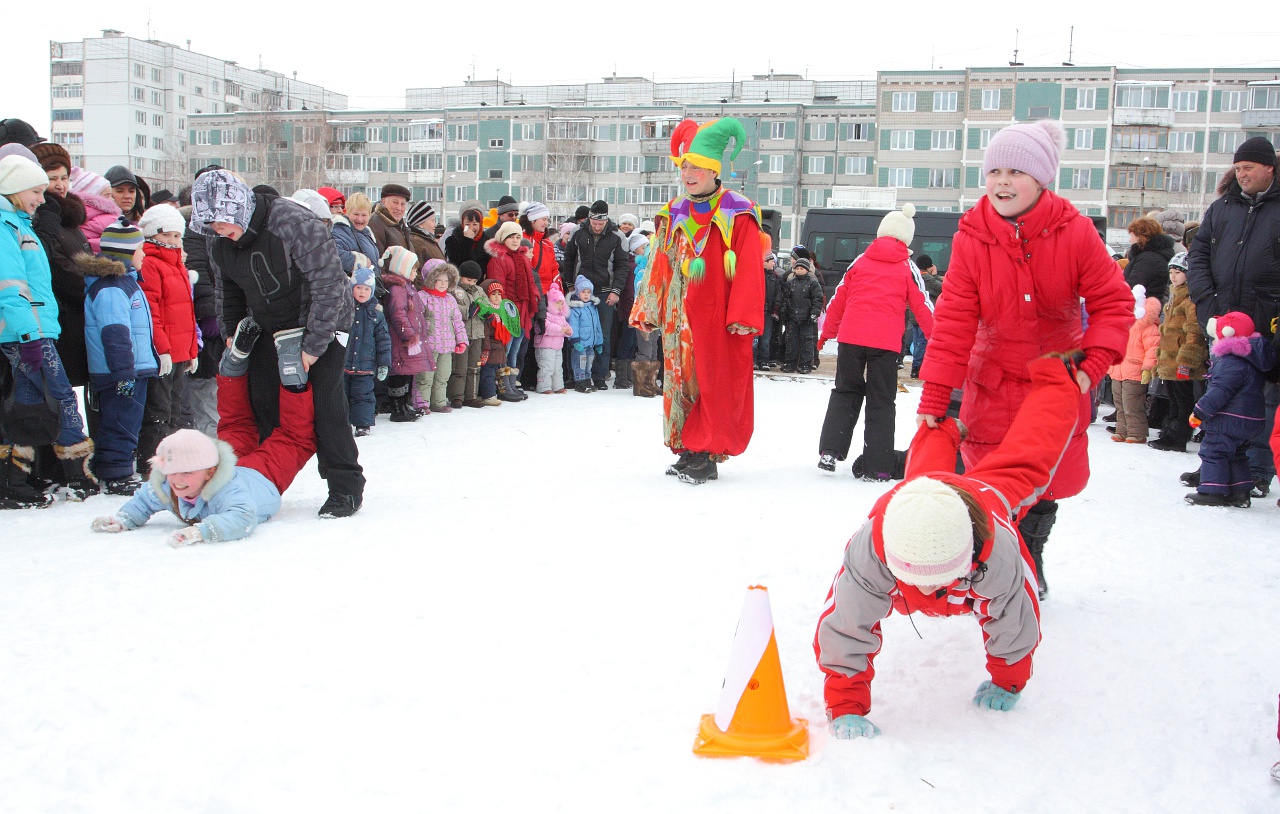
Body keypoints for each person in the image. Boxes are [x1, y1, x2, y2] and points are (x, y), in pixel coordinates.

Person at [916, 120, 1132, 600]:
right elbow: (954, 319)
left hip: (1055, 386)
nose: (1002, 182)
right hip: (991, 383)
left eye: (1016, 171)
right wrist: (935, 392)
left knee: (1045, 486)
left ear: (1041, 178)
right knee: (990, 486)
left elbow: (1114, 302)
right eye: (994, 171)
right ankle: (995, 566)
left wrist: (1093, 363)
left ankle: (1030, 559)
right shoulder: (971, 236)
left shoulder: (1075, 232)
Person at [815, 352, 1078, 739]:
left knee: (1029, 457)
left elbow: (1015, 620)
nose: (926, 590)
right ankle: (941, 427)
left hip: (983, 499)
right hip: (919, 496)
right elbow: (846, 627)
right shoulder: (870, 551)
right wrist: (845, 704)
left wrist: (1008, 680)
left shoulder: (997, 549)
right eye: (914, 580)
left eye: (941, 579)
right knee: (925, 466)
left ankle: (1059, 381)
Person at [189, 169, 363, 519]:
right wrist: (231, 330)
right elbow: (226, 287)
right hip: (268, 326)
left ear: (238, 209)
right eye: (209, 224)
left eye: (221, 221)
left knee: (324, 405)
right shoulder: (217, 238)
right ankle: (259, 482)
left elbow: (328, 285)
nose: (217, 230)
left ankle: (345, 486)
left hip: (323, 323)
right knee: (265, 403)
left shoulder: (295, 223)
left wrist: (314, 345)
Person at [630, 118, 765, 484]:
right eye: (684, 167)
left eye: (696, 167)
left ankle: (707, 452)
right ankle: (689, 446)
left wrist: (743, 314)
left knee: (713, 381)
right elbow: (658, 262)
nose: (688, 174)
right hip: (679, 316)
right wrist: (649, 307)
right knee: (679, 380)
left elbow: (750, 266)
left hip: (718, 315)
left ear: (714, 170)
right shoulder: (673, 210)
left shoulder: (738, 211)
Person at [90, 347, 317, 545]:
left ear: (210, 472)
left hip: (262, 477)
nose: (178, 479)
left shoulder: (228, 492)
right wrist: (124, 519)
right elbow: (143, 501)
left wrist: (203, 531)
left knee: (294, 440)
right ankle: (232, 367)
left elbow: (242, 518)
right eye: (172, 472)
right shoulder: (167, 484)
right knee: (235, 426)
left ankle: (292, 378)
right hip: (232, 467)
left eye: (187, 472)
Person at [0, 154, 99, 506]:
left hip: (32, 330)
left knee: (28, 402)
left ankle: (13, 480)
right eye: (36, 191)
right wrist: (29, 335)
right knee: (60, 398)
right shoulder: (6, 227)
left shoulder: (19, 223)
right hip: (26, 333)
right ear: (14, 188)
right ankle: (78, 474)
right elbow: (11, 288)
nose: (42, 199)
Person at [1186, 136, 1280, 499]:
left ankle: (1256, 470)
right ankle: (1216, 464)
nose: (1241, 174)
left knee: (1262, 398)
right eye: (1238, 168)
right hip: (1224, 319)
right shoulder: (1222, 207)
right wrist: (1205, 300)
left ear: (1269, 167)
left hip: (1265, 320)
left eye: (1248, 168)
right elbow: (1198, 255)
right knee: (1220, 389)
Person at [817, 204, 935, 479]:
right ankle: (878, 466)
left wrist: (826, 334)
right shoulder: (907, 267)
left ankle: (830, 451)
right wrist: (938, 340)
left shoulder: (860, 261)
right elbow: (922, 305)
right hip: (885, 344)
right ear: (906, 238)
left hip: (851, 339)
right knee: (881, 400)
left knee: (845, 391)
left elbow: (839, 299)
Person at [81, 220, 160, 495]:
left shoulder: (126, 282)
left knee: (128, 421)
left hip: (130, 370)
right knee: (119, 423)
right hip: (120, 372)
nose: (144, 254)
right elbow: (115, 333)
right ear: (126, 253)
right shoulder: (112, 288)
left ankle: (119, 467)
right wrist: (124, 373)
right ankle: (115, 473)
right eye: (140, 249)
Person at [1185, 312, 1275, 507]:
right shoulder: (1251, 358)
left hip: (1228, 419)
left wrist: (1199, 411)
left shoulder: (1230, 362)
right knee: (1237, 455)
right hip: (1249, 420)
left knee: (1214, 452)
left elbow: (1220, 392)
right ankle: (1240, 493)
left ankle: (1212, 491)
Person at [136, 204, 199, 475]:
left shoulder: (178, 265)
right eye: (166, 235)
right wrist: (161, 349)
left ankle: (173, 460)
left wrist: (192, 350)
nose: (172, 241)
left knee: (176, 409)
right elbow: (153, 311)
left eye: (177, 236)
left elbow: (187, 313)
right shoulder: (151, 264)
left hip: (180, 351)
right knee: (159, 410)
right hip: (164, 351)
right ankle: (153, 462)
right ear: (153, 234)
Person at [31, 142, 91, 391]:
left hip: (80, 315)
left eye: (64, 178)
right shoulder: (43, 219)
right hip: (61, 317)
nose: (60, 185)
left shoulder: (68, 217)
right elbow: (58, 268)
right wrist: (92, 285)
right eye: (52, 178)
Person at [560, 199, 629, 390]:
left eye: (601, 223)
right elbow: (569, 259)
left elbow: (622, 266)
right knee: (576, 332)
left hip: (605, 291)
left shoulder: (617, 236)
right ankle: (575, 375)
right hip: (580, 290)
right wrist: (570, 285)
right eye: (594, 223)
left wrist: (616, 291)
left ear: (606, 220)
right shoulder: (578, 232)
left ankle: (599, 375)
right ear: (589, 219)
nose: (597, 227)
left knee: (602, 334)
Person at [1149, 253, 1208, 452]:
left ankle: (1179, 436)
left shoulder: (1189, 300)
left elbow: (1194, 332)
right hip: (1170, 359)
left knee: (1183, 399)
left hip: (1181, 359)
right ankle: (1170, 433)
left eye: (1178, 272)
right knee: (1173, 398)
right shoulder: (1174, 298)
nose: (1173, 276)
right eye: (1171, 272)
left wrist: (1187, 360)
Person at [485, 221, 538, 401]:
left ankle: (511, 382)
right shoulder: (498, 259)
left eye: (517, 237)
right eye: (511, 237)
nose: (515, 241)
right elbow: (498, 287)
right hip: (509, 311)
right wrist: (506, 310)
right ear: (503, 238)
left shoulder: (522, 258)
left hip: (522, 311)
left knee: (515, 349)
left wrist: (533, 300)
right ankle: (502, 384)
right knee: (505, 350)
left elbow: (531, 283)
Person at [380, 245, 428, 423]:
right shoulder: (397, 289)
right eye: (414, 270)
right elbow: (398, 314)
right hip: (400, 339)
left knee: (407, 372)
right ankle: (397, 408)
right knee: (399, 373)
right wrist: (408, 334)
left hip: (407, 339)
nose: (416, 273)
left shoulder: (407, 287)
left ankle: (404, 405)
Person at [1108, 287, 1162, 444]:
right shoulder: (1121, 324)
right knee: (1119, 402)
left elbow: (1153, 349)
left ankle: (1137, 432)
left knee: (1132, 403)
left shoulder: (1147, 327)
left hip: (1135, 371)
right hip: (1118, 370)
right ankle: (1122, 430)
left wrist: (1147, 368)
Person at [415, 261, 468, 413]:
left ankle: (438, 402)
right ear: (431, 279)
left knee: (443, 376)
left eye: (446, 280)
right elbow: (417, 320)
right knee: (425, 377)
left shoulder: (450, 299)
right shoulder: (422, 297)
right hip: (428, 346)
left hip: (447, 346)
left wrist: (461, 340)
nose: (443, 284)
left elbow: (457, 321)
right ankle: (422, 403)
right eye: (439, 280)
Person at [344, 267, 390, 437]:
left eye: (366, 289)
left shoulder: (376, 314)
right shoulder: (344, 309)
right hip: (344, 363)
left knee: (363, 396)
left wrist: (384, 363)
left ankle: (362, 424)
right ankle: (341, 423)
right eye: (358, 287)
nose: (362, 292)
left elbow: (383, 341)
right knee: (341, 395)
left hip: (366, 365)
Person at [451, 261, 488, 408]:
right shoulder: (454, 290)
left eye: (474, 281)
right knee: (459, 367)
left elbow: (486, 304)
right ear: (460, 277)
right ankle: (457, 396)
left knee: (474, 366)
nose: (471, 283)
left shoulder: (479, 290)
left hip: (477, 333)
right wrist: (468, 311)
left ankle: (471, 396)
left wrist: (488, 313)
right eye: (468, 280)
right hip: (462, 334)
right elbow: (452, 308)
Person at [780, 257, 824, 373]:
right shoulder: (790, 283)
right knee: (791, 342)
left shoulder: (813, 283)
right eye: (797, 268)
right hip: (792, 317)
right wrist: (784, 312)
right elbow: (785, 299)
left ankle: (806, 364)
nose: (799, 270)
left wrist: (814, 314)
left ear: (807, 270)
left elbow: (817, 300)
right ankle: (790, 363)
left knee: (807, 342)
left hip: (806, 318)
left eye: (801, 268)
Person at [1122, 216, 1175, 304]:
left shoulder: (1147, 259)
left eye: (1131, 235)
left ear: (1140, 236)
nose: (1130, 240)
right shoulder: (1153, 256)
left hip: (1142, 306)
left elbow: (1132, 285)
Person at [477, 279, 513, 406]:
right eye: (493, 294)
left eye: (499, 294)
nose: (497, 296)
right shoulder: (487, 312)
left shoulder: (502, 312)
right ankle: (488, 395)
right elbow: (486, 333)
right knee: (488, 373)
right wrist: (486, 348)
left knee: (497, 373)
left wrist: (504, 347)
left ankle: (498, 391)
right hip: (491, 349)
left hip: (499, 348)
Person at [70, 167, 123, 252]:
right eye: (107, 196)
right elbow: (130, 232)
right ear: (94, 197)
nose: (112, 200)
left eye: (111, 195)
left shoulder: (78, 216)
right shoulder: (107, 218)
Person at [534, 280, 573, 394]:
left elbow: (566, 326)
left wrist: (568, 331)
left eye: (561, 303)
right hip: (545, 346)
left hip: (557, 347)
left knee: (557, 367)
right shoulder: (545, 315)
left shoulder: (561, 317)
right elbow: (547, 327)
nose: (560, 306)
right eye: (557, 303)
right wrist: (561, 329)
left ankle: (558, 386)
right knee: (547, 366)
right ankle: (544, 386)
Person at [567, 275, 604, 393]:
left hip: (591, 344)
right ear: (578, 293)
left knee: (589, 362)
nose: (586, 295)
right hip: (580, 343)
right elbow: (573, 325)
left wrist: (599, 342)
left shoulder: (593, 308)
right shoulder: (575, 309)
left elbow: (597, 326)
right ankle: (580, 381)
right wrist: (575, 340)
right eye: (583, 292)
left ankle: (587, 379)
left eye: (588, 292)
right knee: (580, 362)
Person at [908, 253, 942, 378]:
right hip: (925, 315)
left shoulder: (915, 276)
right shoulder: (928, 279)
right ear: (928, 266)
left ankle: (916, 367)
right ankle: (917, 369)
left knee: (917, 342)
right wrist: (935, 275)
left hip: (914, 315)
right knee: (923, 343)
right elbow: (943, 288)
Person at [331, 192, 381, 275]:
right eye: (356, 214)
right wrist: (359, 261)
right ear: (347, 213)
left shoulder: (367, 234)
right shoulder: (339, 230)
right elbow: (334, 254)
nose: (360, 219)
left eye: (364, 215)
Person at [754, 251, 782, 371]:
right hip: (756, 312)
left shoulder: (775, 277)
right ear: (764, 262)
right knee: (755, 338)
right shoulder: (756, 275)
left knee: (766, 338)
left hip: (768, 312)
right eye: (771, 262)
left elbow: (778, 294)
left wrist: (776, 308)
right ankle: (754, 360)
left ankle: (764, 360)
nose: (773, 264)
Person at [368, 184, 411, 254]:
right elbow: (378, 257)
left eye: (402, 204)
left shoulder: (401, 227)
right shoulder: (375, 223)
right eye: (395, 202)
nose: (399, 208)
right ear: (383, 201)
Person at [444, 200, 487, 268]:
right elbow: (456, 263)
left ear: (480, 225)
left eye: (475, 224)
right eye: (467, 224)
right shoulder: (453, 241)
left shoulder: (486, 242)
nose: (471, 228)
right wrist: (468, 241)